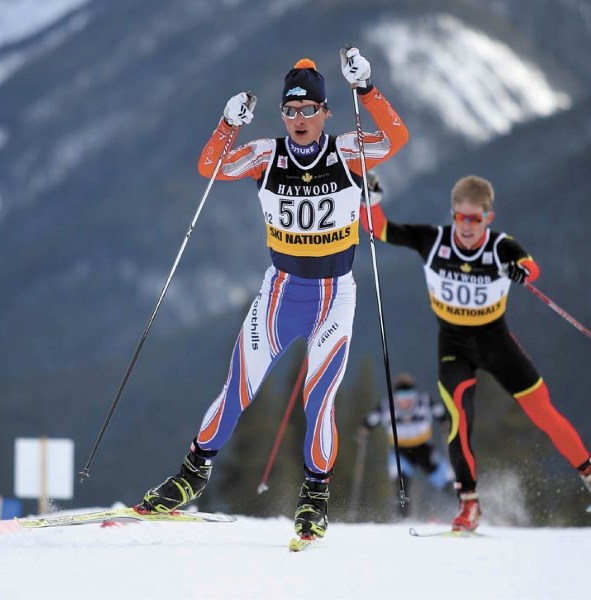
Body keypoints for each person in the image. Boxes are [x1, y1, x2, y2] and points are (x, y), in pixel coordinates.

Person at [135, 48, 409, 541]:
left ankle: (315, 497)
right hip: (281, 294)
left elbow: (397, 137)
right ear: (282, 113)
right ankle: (192, 475)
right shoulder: (267, 154)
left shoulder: (348, 150)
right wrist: (226, 123)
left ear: (326, 111)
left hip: (333, 297)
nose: (299, 119)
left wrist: (366, 87)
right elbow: (210, 168)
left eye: (309, 110)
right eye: (290, 110)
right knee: (238, 388)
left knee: (317, 399)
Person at [360, 171, 591, 531]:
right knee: (459, 422)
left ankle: (588, 472)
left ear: (488, 218)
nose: (466, 226)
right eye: (459, 217)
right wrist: (370, 201)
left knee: (543, 411)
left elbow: (530, 267)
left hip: (496, 343)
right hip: (454, 347)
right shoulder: (433, 240)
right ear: (452, 214)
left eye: (475, 218)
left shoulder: (500, 246)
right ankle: (469, 505)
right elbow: (382, 230)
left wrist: (519, 271)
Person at [358, 372, 454, 516]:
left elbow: (441, 414)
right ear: (395, 396)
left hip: (423, 449)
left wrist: (446, 423)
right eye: (402, 396)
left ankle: (464, 507)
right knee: (401, 484)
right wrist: (365, 429)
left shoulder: (425, 402)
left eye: (409, 395)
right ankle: (403, 518)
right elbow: (371, 419)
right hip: (400, 451)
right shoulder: (386, 406)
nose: (406, 401)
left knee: (444, 481)